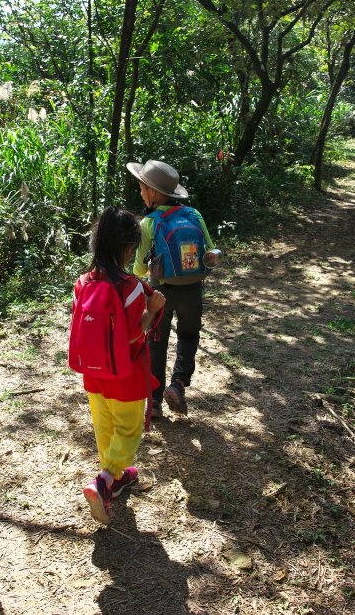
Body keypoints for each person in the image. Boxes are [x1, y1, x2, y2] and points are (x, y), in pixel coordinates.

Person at [74, 206, 165, 524]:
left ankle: (119, 476)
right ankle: (102, 482)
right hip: (125, 376)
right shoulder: (134, 288)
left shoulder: (83, 283)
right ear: (129, 248)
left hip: (94, 375)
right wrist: (152, 310)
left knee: (105, 428)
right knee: (127, 430)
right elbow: (133, 334)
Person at [127, 160, 221, 419]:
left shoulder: (149, 223)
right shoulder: (195, 215)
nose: (140, 192)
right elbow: (209, 251)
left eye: (142, 188)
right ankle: (178, 384)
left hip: (161, 293)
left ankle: (154, 402)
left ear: (153, 192)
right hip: (192, 290)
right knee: (189, 336)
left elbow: (137, 268)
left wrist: (154, 270)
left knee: (157, 342)